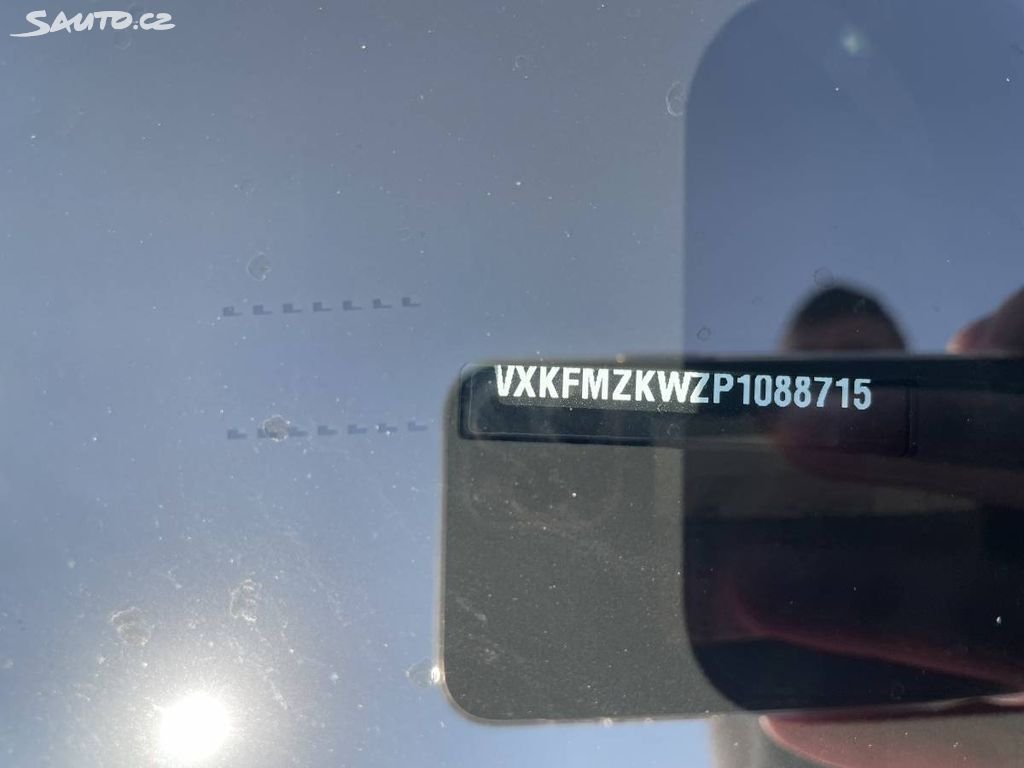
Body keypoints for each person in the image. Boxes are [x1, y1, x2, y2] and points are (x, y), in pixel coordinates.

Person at [714, 285, 1024, 768]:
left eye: (860, 362)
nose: (832, 394)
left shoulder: (986, 536)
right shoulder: (727, 598)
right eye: (804, 370)